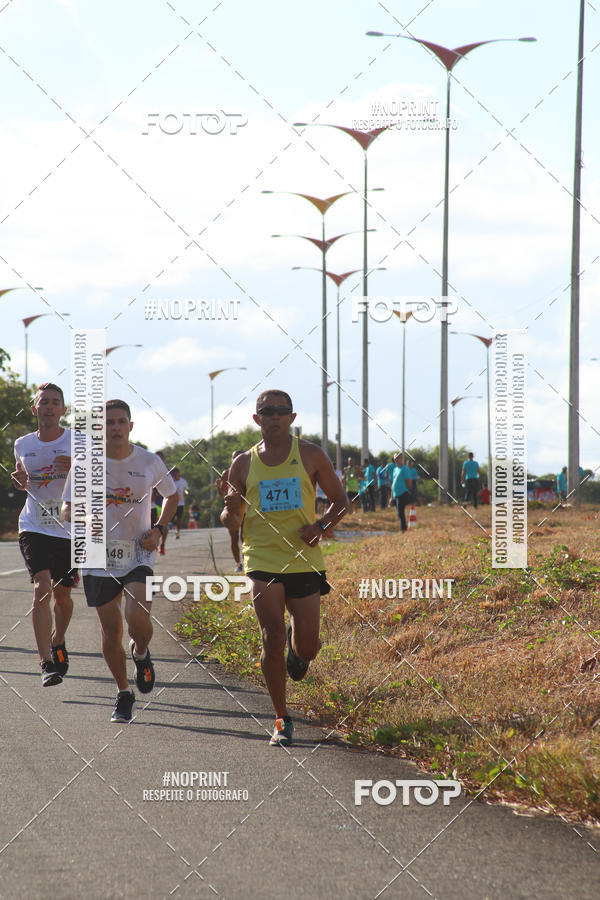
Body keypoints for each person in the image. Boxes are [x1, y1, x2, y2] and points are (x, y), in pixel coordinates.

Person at [221, 390, 348, 747]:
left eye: (281, 412)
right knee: (270, 635)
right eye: (267, 412)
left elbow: (341, 502)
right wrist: (231, 508)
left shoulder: (310, 454)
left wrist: (321, 526)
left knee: (307, 648)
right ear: (256, 419)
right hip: (261, 558)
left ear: (292, 418)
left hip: (303, 557)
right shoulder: (243, 464)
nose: (274, 417)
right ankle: (281, 718)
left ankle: (300, 647)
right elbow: (232, 522)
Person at [62, 400, 178, 723]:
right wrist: (84, 521)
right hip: (97, 555)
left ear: (130, 425)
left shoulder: (149, 461)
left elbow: (172, 495)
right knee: (110, 630)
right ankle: (123, 693)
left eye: (119, 422)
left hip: (138, 551)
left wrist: (160, 529)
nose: (114, 428)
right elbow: (66, 508)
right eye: (107, 423)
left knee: (137, 619)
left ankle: (140, 652)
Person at [11, 383, 76, 687]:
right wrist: (19, 481)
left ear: (63, 409)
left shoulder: (78, 442)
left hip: (68, 528)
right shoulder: (22, 443)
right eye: (44, 402)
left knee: (63, 597)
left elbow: (100, 483)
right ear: (35, 409)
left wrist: (77, 468)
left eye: (55, 402)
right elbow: (21, 480)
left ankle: (58, 639)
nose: (49, 407)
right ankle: (45, 663)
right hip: (34, 525)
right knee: (42, 587)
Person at [216, 450, 244, 572]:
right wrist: (219, 486)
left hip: (246, 509)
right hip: (232, 510)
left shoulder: (248, 470)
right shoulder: (226, 473)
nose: (236, 460)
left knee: (245, 536)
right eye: (234, 458)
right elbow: (222, 493)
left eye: (239, 457)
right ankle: (238, 564)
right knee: (234, 537)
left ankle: (247, 560)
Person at [388, 452, 412, 532]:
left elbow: (408, 481)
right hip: (396, 494)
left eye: (399, 458)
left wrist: (408, 489)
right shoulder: (395, 469)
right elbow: (393, 483)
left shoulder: (405, 468)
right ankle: (403, 528)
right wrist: (391, 496)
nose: (398, 460)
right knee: (398, 512)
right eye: (396, 458)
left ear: (402, 459)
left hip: (402, 493)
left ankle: (403, 529)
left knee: (400, 512)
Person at [170, 467, 189, 538]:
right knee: (171, 518)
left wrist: (186, 493)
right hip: (172, 503)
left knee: (179, 518)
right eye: (174, 474)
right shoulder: (171, 481)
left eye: (176, 473)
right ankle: (174, 526)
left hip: (180, 503)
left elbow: (186, 489)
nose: (175, 475)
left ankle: (178, 531)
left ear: (179, 474)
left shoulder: (183, 481)